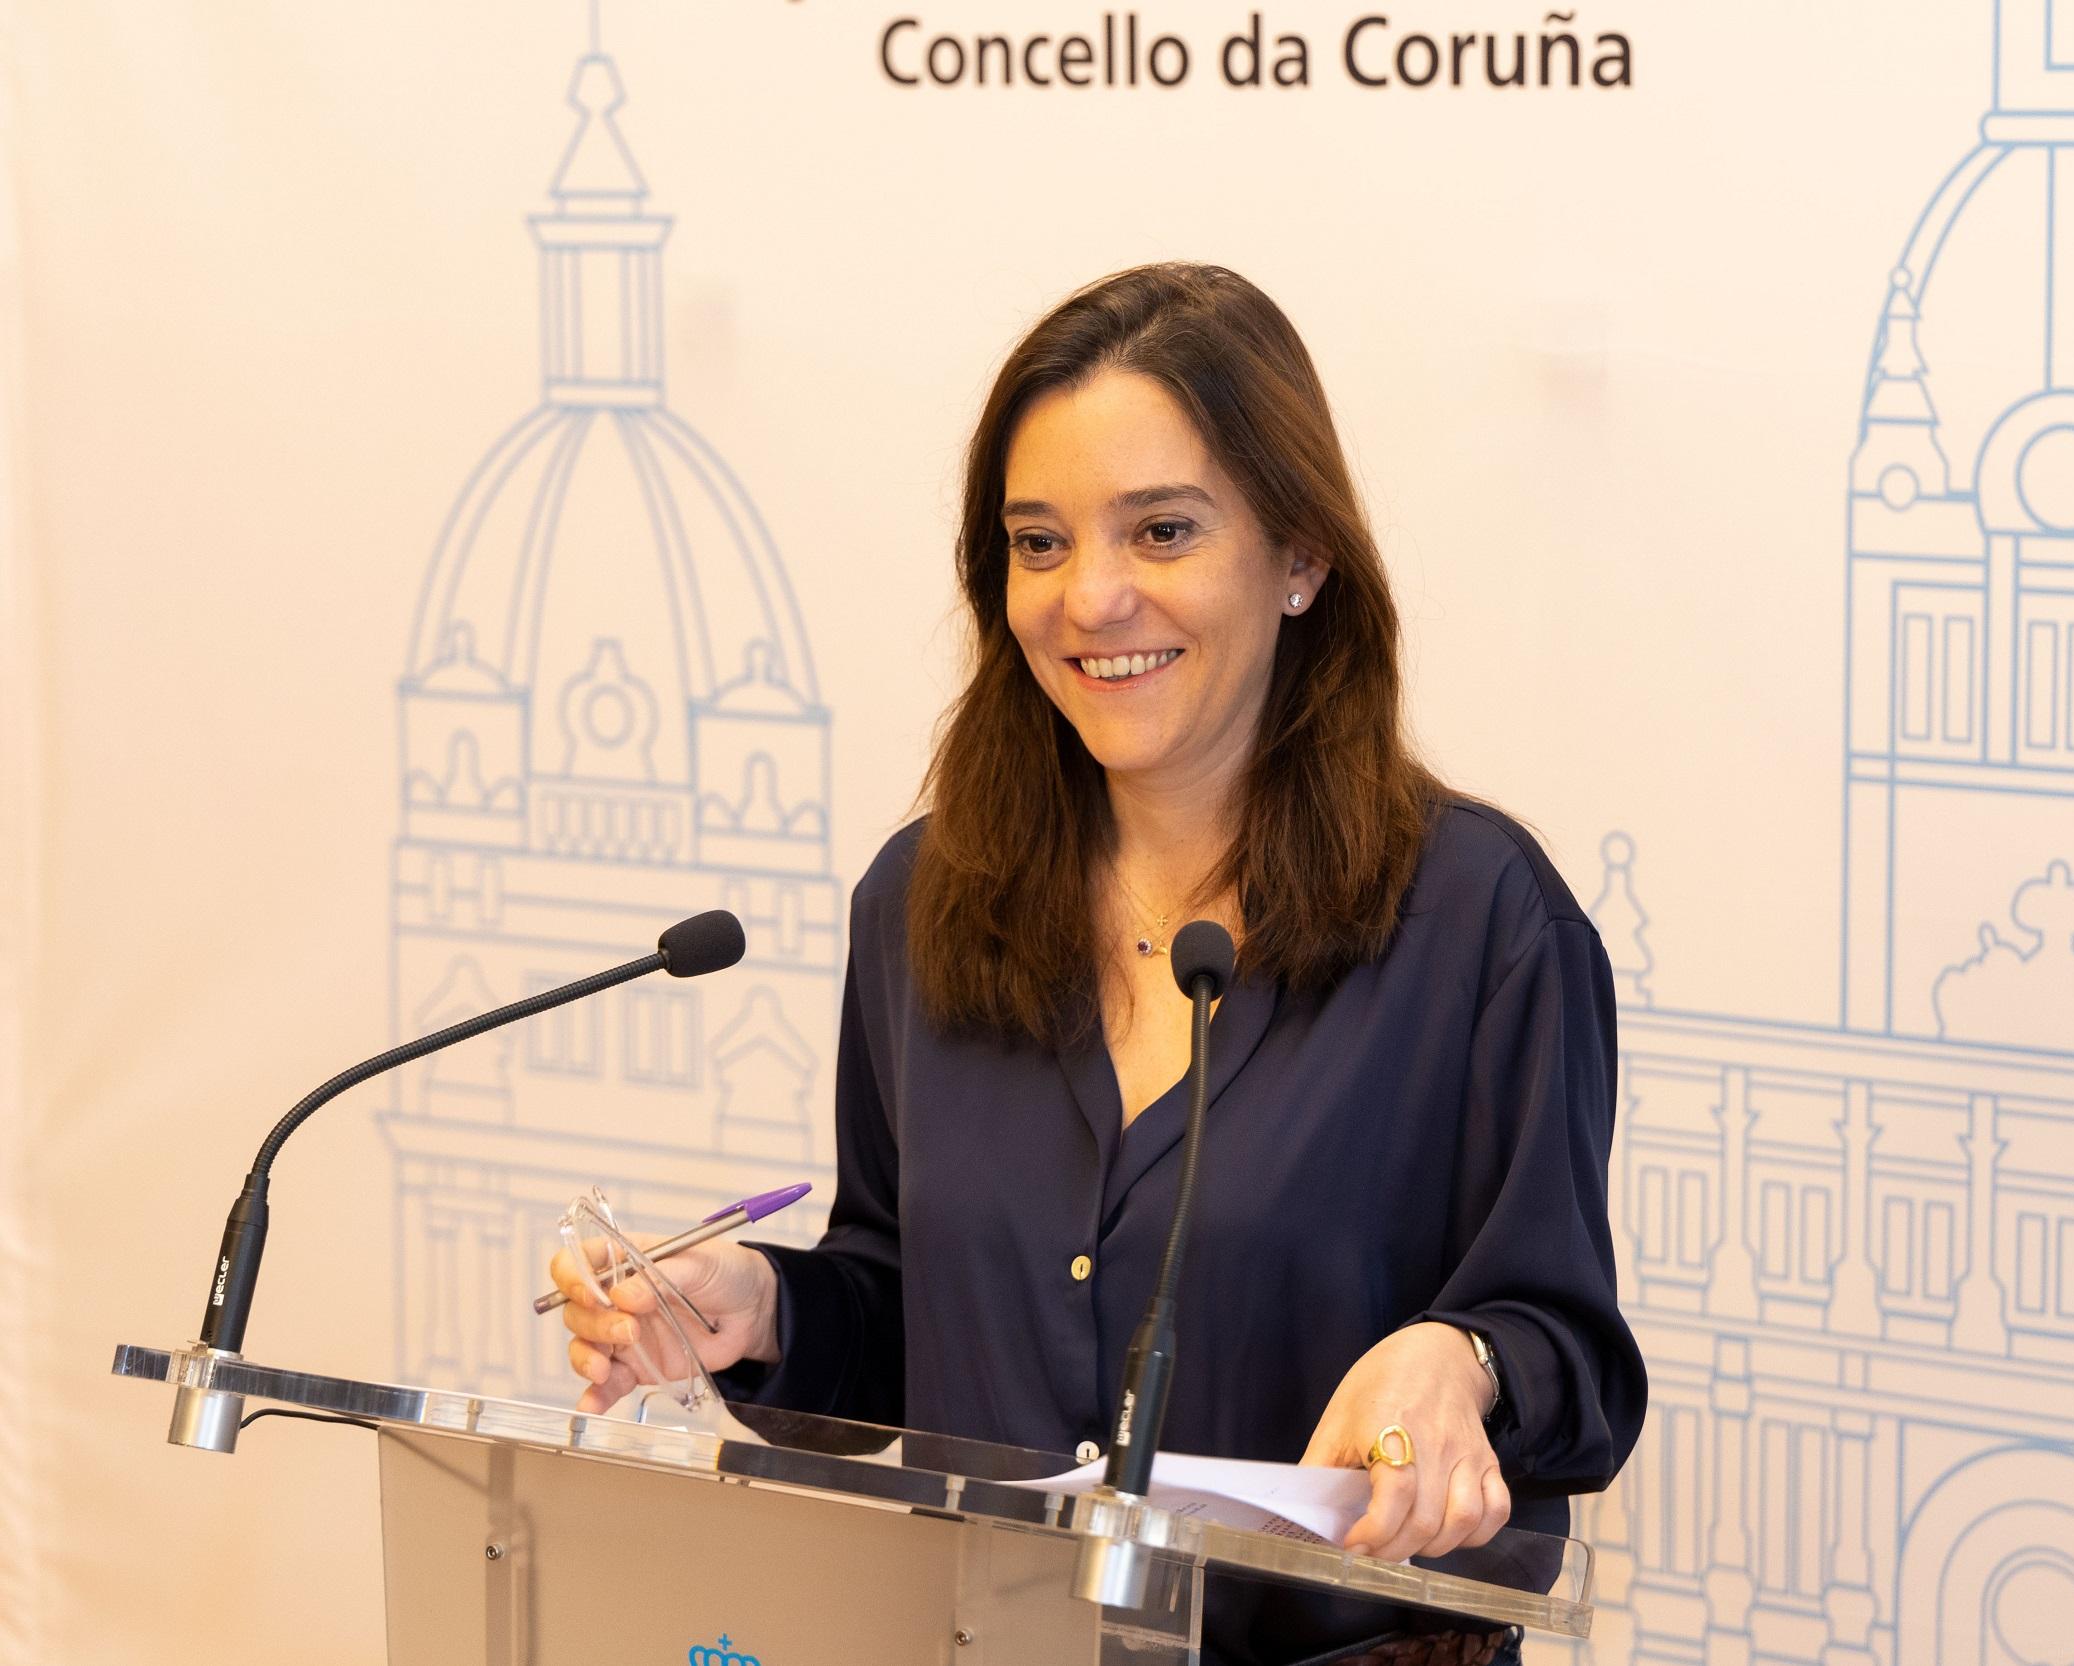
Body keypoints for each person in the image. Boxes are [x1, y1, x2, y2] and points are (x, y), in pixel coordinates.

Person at [549, 263, 1645, 1663]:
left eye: (1164, 529)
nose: (1094, 599)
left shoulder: (1483, 920)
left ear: (1301, 555)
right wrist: (757, 1313)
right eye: (1040, 542)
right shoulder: (923, 904)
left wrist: (1465, 1359)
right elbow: (903, 1312)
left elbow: (1576, 1363)